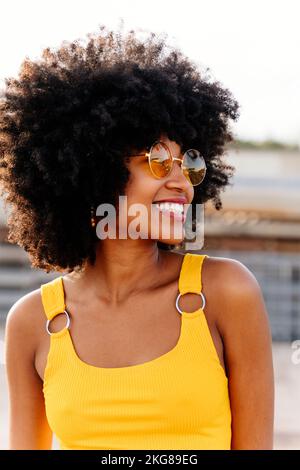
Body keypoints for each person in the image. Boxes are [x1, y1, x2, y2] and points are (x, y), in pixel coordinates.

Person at [1, 24, 274, 450]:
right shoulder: (32, 321)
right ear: (94, 168)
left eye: (191, 164)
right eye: (160, 160)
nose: (183, 182)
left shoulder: (225, 293)